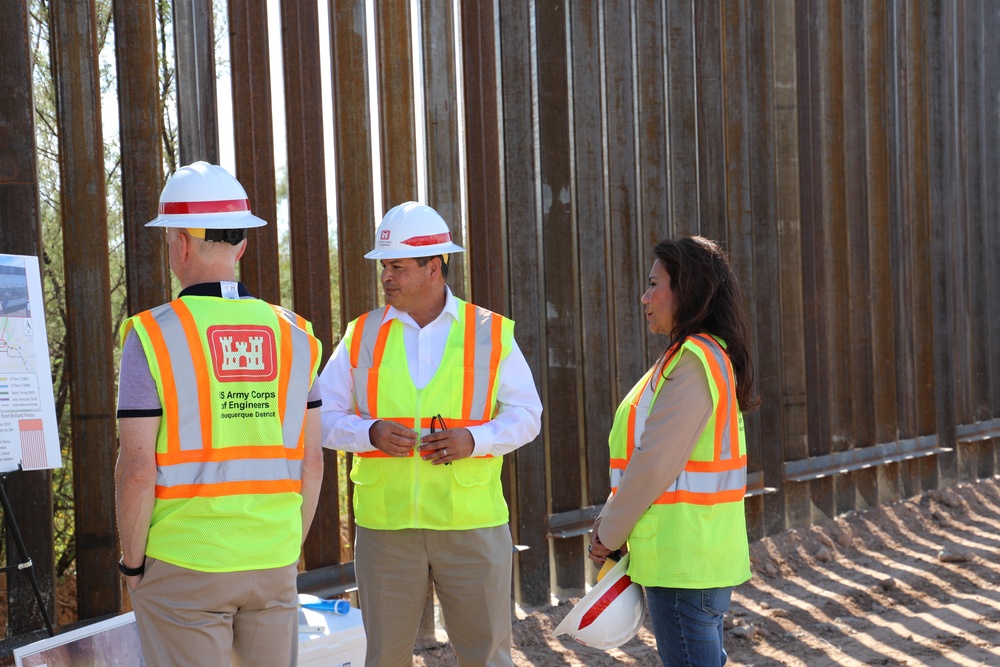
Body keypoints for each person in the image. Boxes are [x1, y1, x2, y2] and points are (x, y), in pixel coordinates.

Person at [114, 162, 324, 667]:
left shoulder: (152, 335)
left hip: (187, 562)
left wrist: (133, 566)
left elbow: (138, 470)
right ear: (243, 244)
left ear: (181, 245)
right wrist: (286, 550)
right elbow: (312, 463)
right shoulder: (296, 335)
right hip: (272, 560)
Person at [318, 201, 542, 667]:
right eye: (385, 266)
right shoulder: (361, 334)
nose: (387, 277)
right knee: (384, 659)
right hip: (386, 529)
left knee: (487, 658)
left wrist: (473, 440)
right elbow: (319, 416)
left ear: (434, 266)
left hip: (472, 526)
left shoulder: (490, 332)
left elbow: (527, 414)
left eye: (397, 267)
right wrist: (370, 432)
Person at [588, 236, 758, 667]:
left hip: (683, 560)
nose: (644, 298)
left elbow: (652, 463)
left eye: (653, 285)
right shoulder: (697, 356)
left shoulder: (694, 360)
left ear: (687, 291)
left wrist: (609, 534)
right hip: (693, 555)